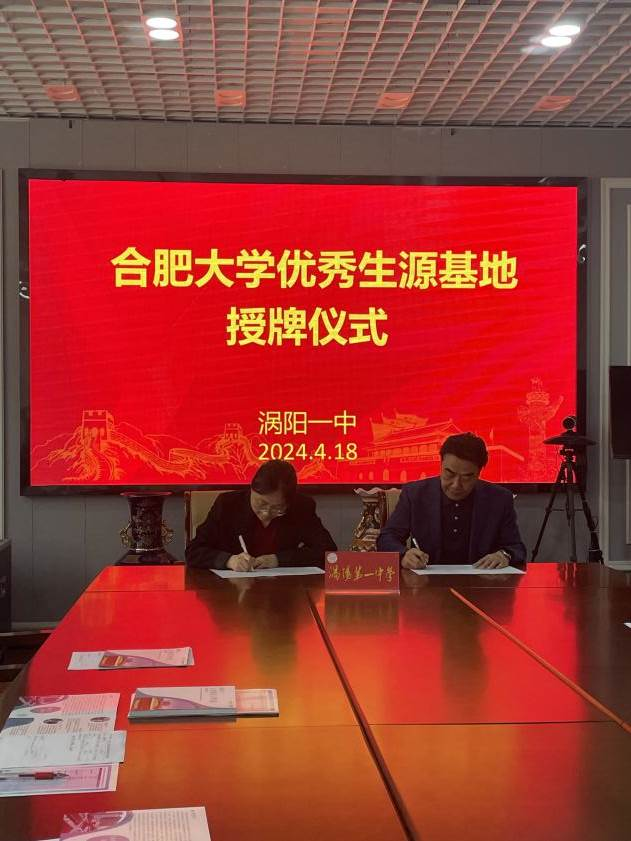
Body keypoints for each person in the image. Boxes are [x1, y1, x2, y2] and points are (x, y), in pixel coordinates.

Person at [377, 432, 526, 569]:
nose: (456, 485)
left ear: (479, 472)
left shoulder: (499, 499)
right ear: (441, 465)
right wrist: (404, 554)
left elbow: (516, 548)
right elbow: (387, 538)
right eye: (449, 473)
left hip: (481, 581)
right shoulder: (415, 494)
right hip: (427, 581)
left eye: (466, 477)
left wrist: (504, 555)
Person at [185, 459, 336, 571]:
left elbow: (327, 551)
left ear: (289, 502)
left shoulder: (301, 507)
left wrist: (278, 559)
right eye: (261, 504)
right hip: (231, 593)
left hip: (284, 593)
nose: (266, 513)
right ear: (251, 489)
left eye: (277, 508)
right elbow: (194, 551)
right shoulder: (227, 505)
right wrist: (229, 561)